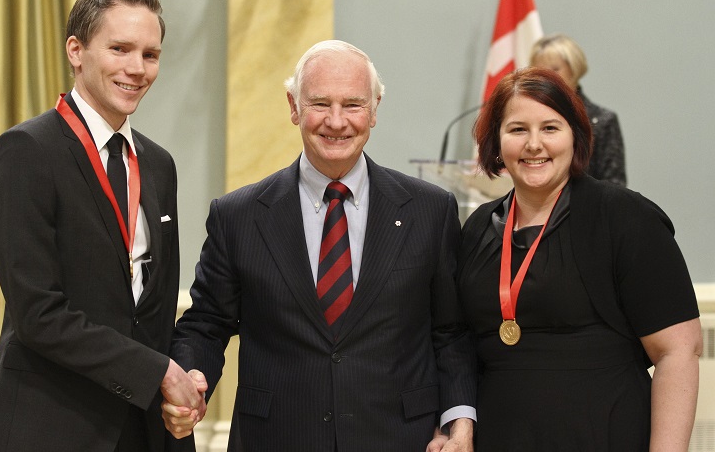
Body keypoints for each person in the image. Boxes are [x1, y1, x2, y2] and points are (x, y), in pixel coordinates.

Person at [163, 40, 477, 452]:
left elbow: (450, 332)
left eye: (353, 104)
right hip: (276, 439)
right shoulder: (238, 215)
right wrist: (190, 377)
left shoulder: (430, 211)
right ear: (293, 106)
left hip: (401, 439)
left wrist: (459, 419)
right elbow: (205, 323)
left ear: (375, 109)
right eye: (319, 104)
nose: (336, 121)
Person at [0, 0, 204, 452]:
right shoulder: (26, 152)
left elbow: (155, 309)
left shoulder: (159, 164)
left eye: (150, 54)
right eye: (119, 49)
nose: (136, 69)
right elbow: (38, 314)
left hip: (148, 429)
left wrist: (183, 386)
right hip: (53, 426)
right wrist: (157, 372)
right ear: (76, 51)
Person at [460, 66, 701, 451]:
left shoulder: (624, 217)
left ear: (576, 136)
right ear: (495, 142)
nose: (534, 144)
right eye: (517, 129)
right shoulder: (477, 229)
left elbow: (678, 351)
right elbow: (460, 348)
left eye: (550, 128)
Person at [530, 33, 627, 186]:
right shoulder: (528, 119)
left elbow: (615, 185)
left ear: (574, 69)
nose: (547, 78)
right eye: (540, 71)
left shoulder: (602, 120)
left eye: (554, 70)